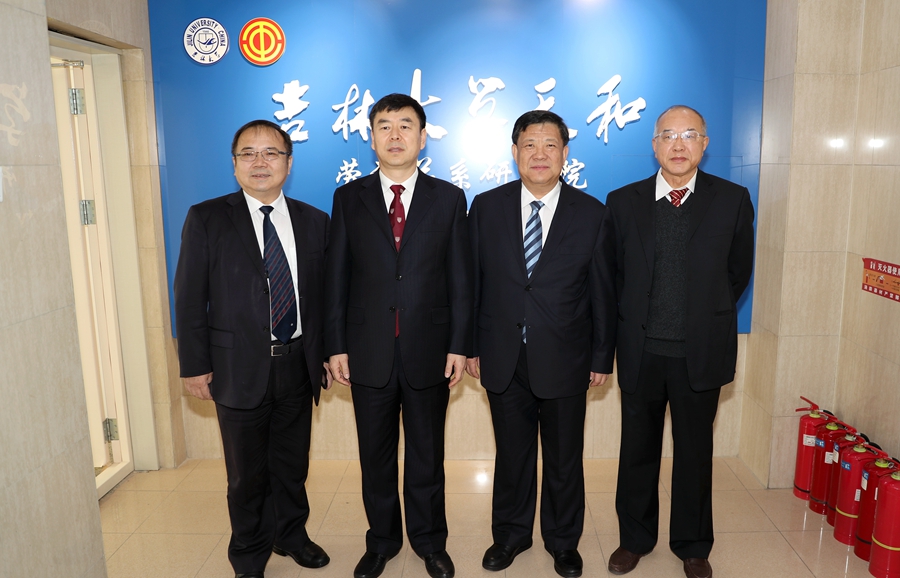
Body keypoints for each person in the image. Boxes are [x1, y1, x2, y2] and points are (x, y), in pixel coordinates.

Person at [597, 105, 754, 578]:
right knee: (636, 452)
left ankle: (693, 545)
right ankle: (634, 540)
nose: (678, 144)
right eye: (668, 135)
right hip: (641, 350)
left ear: (705, 144)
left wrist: (702, 315)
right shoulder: (622, 201)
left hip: (699, 352)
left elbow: (737, 272)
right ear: (654, 145)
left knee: (694, 454)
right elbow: (611, 276)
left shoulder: (732, 199)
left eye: (689, 135)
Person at [324, 93, 473, 578]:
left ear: (422, 137)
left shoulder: (448, 198)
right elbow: (336, 277)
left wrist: (459, 344)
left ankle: (430, 542)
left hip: (429, 350)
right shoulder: (348, 198)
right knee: (376, 458)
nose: (395, 135)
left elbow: (461, 279)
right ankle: (382, 542)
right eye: (384, 126)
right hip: (367, 351)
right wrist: (335, 345)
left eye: (405, 125)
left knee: (427, 456)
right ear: (371, 138)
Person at [174, 120, 330, 578]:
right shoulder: (207, 218)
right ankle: (248, 553)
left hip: (297, 364)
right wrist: (194, 365)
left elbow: (324, 298)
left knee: (292, 465)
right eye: (248, 153)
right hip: (235, 366)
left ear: (289, 163)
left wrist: (327, 353)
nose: (260, 162)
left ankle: (291, 535)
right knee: (246, 473)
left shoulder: (314, 220)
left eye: (271, 153)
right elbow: (189, 297)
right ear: (234, 163)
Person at [466, 110, 610, 578]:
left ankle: (563, 542)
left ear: (565, 154)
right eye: (530, 145)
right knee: (512, 455)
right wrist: (470, 346)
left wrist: (601, 356)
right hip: (502, 354)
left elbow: (602, 291)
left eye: (550, 145)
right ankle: (510, 536)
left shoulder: (592, 213)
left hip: (566, 356)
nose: (540, 154)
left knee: (565, 458)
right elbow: (472, 283)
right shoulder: (486, 207)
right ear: (515, 152)